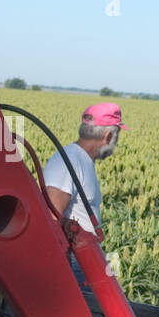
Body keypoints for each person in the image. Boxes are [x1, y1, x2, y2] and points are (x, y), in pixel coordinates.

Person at [42, 101, 129, 285]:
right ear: (108, 135)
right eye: (117, 135)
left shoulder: (82, 159)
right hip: (72, 260)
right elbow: (50, 219)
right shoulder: (70, 160)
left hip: (84, 257)